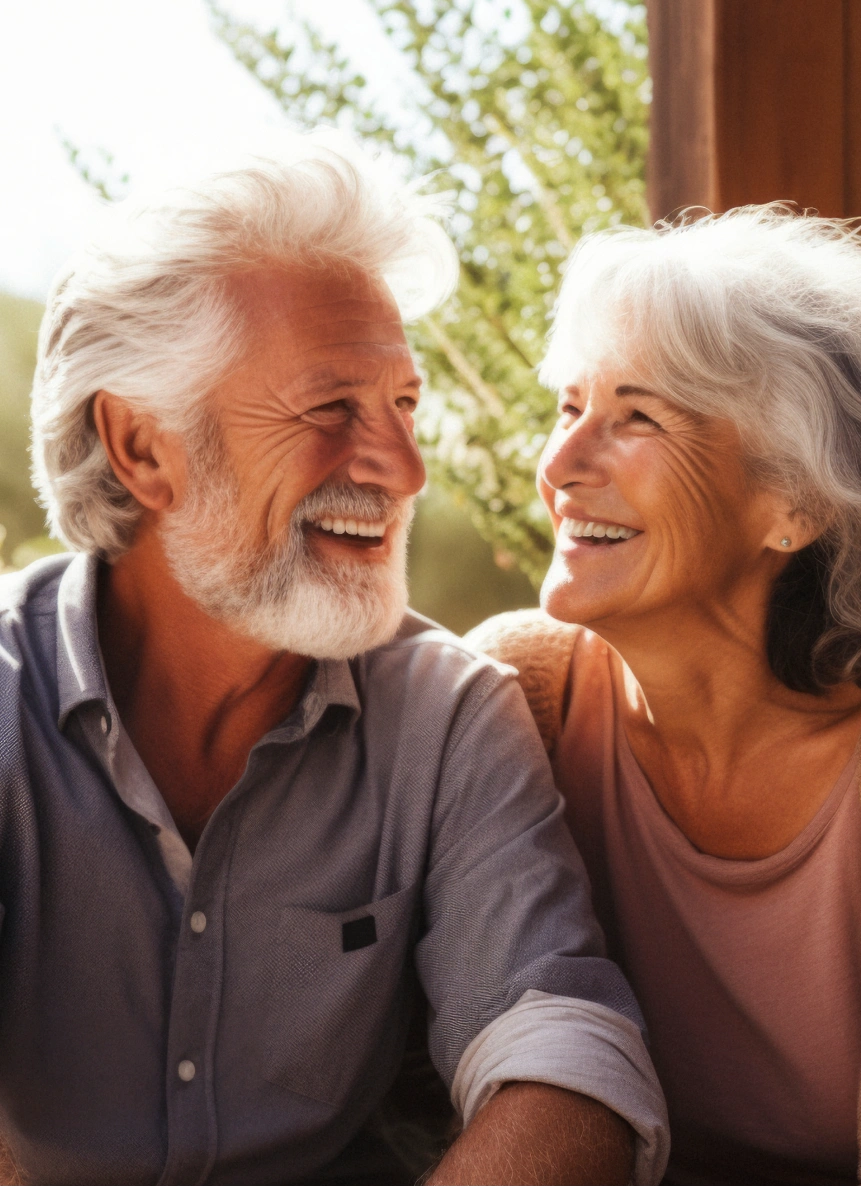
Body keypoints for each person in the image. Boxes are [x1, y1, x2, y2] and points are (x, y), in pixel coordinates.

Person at [0, 135, 669, 1188]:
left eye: (404, 407)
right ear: (141, 447)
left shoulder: (449, 716)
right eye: (330, 409)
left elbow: (558, 1049)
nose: (402, 471)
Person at [470, 205, 861, 1187]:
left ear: (796, 503)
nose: (557, 469)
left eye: (636, 417)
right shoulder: (522, 693)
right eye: (568, 409)